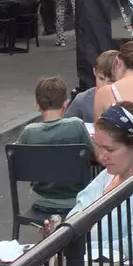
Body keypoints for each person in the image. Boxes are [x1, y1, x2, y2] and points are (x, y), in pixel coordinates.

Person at [44, 103, 133, 265]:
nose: (101, 157)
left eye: (110, 150)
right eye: (98, 147)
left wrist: (80, 246)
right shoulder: (106, 176)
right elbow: (74, 219)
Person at [18, 76, 92, 218]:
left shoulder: (29, 132)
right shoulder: (76, 125)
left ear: (37, 105)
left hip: (41, 200)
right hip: (75, 199)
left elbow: (17, 160)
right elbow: (90, 153)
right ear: (66, 103)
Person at [68, 49, 123, 124]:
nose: (105, 85)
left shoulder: (131, 99)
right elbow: (66, 128)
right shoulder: (81, 100)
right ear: (94, 72)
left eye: (112, 81)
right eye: (101, 79)